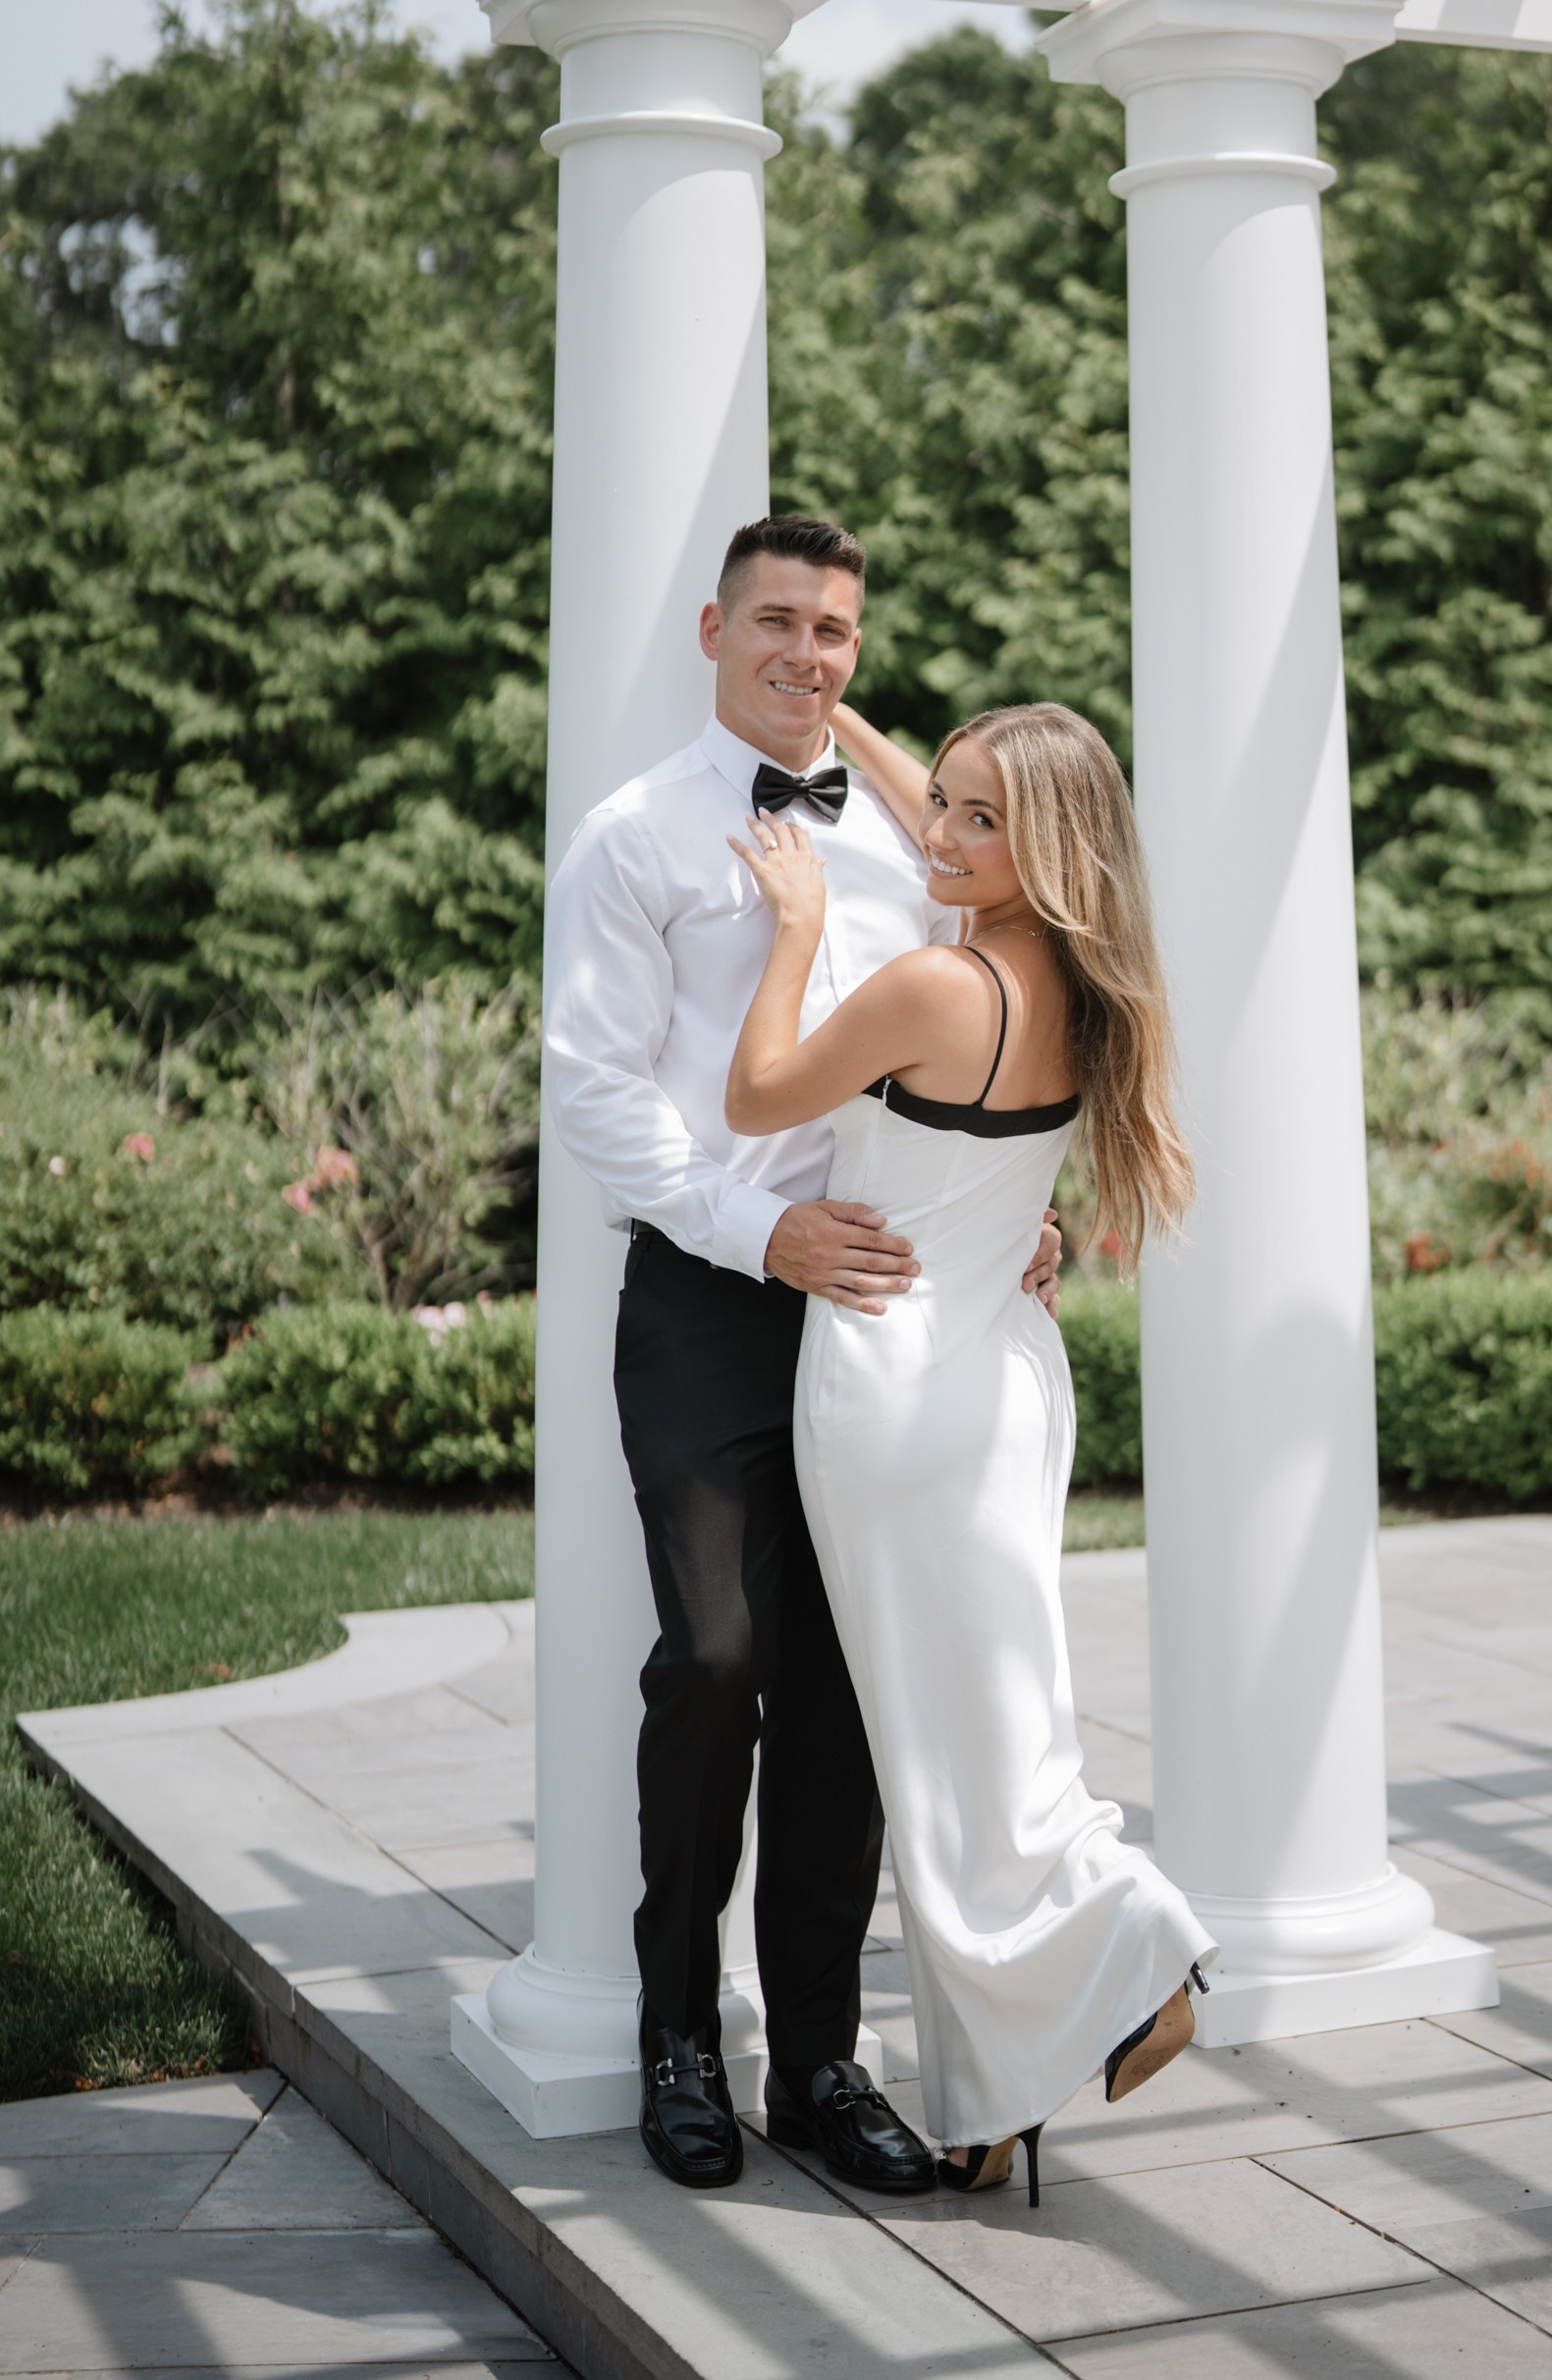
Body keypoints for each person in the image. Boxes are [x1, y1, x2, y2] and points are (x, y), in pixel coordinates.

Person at [541, 516, 1061, 2196]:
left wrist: (1001, 1213)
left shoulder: (930, 843)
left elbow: (1017, 1002)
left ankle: (823, 2063)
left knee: (856, 1678)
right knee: (713, 1661)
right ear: (712, 629)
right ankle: (682, 2034)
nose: (805, 653)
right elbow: (600, 1089)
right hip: (717, 1289)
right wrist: (755, 1233)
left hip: (897, 1305)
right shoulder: (634, 838)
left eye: (834, 630)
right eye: (776, 621)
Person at [725, 698, 1213, 2203]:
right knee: (983, 1721)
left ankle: (1137, 1947)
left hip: (894, 1389)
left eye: (975, 819)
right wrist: (851, 725)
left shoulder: (936, 987)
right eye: (937, 801)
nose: (937, 833)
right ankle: (994, 2089)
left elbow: (756, 1097)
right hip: (1005, 1384)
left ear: (1040, 847)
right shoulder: (1083, 978)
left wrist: (799, 925)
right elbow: (970, 806)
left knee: (948, 1752)